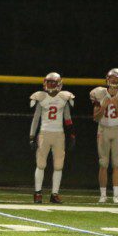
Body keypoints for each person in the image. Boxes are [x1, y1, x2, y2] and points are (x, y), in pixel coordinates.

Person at [29, 73, 75, 204]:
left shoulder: (63, 98)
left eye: (53, 83)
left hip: (59, 134)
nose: (50, 85)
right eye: (48, 82)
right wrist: (32, 136)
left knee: (58, 166)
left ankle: (54, 193)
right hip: (44, 133)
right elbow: (36, 118)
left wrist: (72, 134)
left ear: (59, 84)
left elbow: (67, 118)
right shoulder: (41, 97)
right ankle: (38, 193)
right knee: (41, 164)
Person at [90, 68, 118, 203]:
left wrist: (117, 105)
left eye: (116, 79)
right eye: (111, 78)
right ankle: (103, 195)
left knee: (117, 163)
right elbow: (95, 117)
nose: (113, 81)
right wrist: (103, 107)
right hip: (103, 129)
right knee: (103, 163)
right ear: (107, 79)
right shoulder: (99, 94)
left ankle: (116, 195)